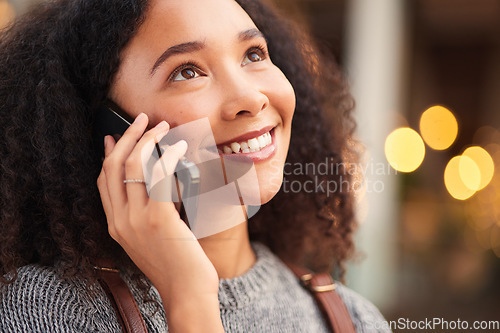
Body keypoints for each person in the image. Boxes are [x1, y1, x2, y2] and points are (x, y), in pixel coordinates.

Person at [0, 0, 391, 331]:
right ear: (111, 130)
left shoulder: (352, 319)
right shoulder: (47, 311)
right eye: (187, 71)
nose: (250, 98)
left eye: (253, 54)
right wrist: (188, 295)